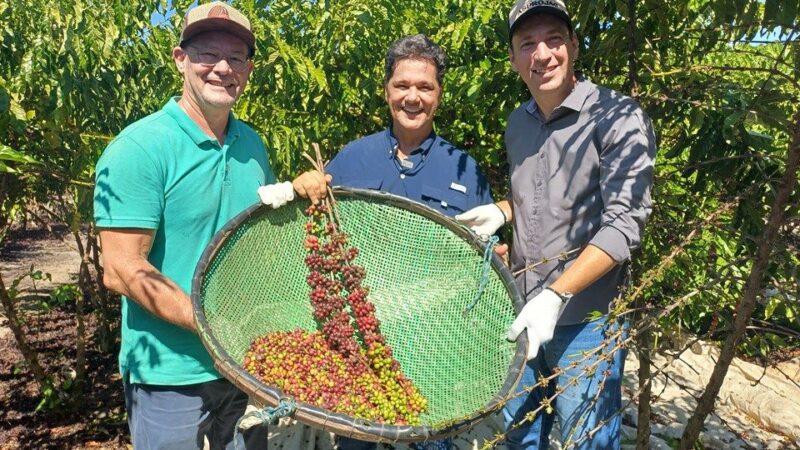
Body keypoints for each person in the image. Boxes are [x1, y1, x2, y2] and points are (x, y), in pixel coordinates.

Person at [93, 2, 326, 448]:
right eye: (206, 54)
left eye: (235, 58)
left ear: (249, 69)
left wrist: (295, 191)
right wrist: (211, 324)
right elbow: (121, 268)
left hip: (243, 367)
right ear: (180, 59)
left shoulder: (250, 144)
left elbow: (251, 233)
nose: (222, 68)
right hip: (169, 373)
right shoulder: (140, 148)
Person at [455, 0, 656, 448]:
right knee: (521, 436)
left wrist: (558, 293)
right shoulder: (518, 123)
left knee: (589, 440)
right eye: (527, 43)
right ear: (513, 59)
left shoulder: (617, 116)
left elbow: (625, 223)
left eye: (553, 39)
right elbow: (539, 195)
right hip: (520, 311)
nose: (541, 54)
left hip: (587, 320)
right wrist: (504, 211)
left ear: (574, 47)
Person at [289, 34, 495, 450]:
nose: (412, 97)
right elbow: (314, 227)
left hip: (437, 353)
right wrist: (299, 187)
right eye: (402, 86)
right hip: (360, 349)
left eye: (425, 87)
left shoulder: (465, 169)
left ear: (439, 95)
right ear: (386, 91)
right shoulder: (351, 159)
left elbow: (484, 259)